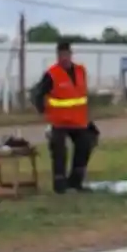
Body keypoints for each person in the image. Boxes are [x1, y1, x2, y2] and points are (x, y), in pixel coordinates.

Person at [30, 40, 96, 193]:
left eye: (66, 54)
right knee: (59, 152)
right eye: (61, 55)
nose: (64, 58)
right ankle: (60, 185)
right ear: (57, 56)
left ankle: (75, 182)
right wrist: (42, 110)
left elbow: (82, 95)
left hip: (79, 121)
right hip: (59, 121)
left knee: (85, 146)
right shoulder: (52, 74)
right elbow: (38, 94)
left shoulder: (81, 71)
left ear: (71, 55)